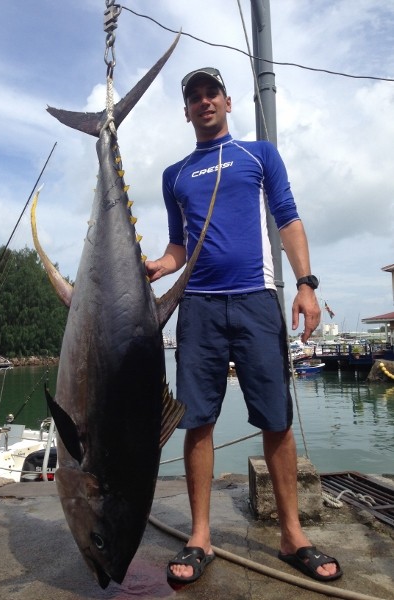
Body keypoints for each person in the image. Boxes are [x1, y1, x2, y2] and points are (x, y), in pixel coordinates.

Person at [145, 67, 343, 585]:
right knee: (198, 421)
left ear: (228, 103)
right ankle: (200, 537)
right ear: (185, 111)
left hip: (257, 299)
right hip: (200, 307)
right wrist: (159, 267)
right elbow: (177, 246)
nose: (204, 101)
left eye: (211, 93)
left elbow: (288, 218)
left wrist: (305, 283)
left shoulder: (259, 155)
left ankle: (292, 534)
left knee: (275, 418)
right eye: (194, 97)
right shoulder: (175, 174)